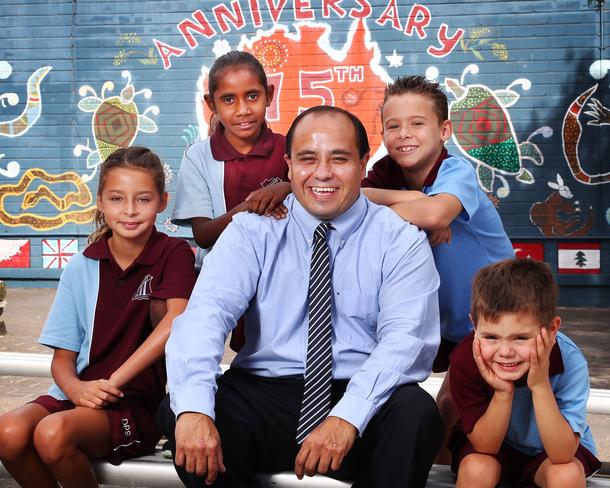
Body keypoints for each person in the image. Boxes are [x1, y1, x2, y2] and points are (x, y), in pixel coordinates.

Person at [158, 105, 444, 488]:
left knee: (416, 413)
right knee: (183, 410)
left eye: (339, 159)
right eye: (308, 159)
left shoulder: (400, 239)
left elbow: (407, 341)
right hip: (268, 392)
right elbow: (205, 316)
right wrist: (194, 411)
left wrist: (347, 417)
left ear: (363, 165)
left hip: (357, 392)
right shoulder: (251, 232)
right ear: (289, 165)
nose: (322, 172)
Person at [0, 147, 197, 487]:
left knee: (52, 435)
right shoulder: (81, 265)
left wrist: (112, 382)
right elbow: (63, 359)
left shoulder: (174, 253)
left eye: (144, 199)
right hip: (79, 394)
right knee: (8, 432)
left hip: (133, 403)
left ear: (163, 201)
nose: (130, 210)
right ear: (101, 203)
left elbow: (175, 320)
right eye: (117, 199)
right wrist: (76, 389)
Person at [361, 75, 514, 459]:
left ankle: (432, 470)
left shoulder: (456, 170)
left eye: (417, 123)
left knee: (450, 405)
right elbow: (349, 203)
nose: (403, 134)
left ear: (444, 129)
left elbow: (433, 212)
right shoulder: (385, 174)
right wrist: (411, 199)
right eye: (392, 126)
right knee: (387, 388)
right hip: (436, 318)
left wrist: (423, 210)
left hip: (497, 315)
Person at [448, 258, 601, 488]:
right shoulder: (466, 358)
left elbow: (561, 454)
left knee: (565, 474)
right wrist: (502, 393)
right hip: (495, 448)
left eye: (521, 338)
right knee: (477, 468)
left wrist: (540, 385)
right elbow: (485, 446)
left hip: (552, 451)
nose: (506, 352)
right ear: (474, 326)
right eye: (490, 337)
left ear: (551, 329)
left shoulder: (570, 360)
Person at [172, 50, 291, 269]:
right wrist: (249, 207)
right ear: (211, 105)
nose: (243, 110)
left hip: (280, 271)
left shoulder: (289, 149)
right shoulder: (198, 156)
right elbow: (203, 236)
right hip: (219, 273)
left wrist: (287, 188)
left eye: (252, 96)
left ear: (269, 95)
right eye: (229, 100)